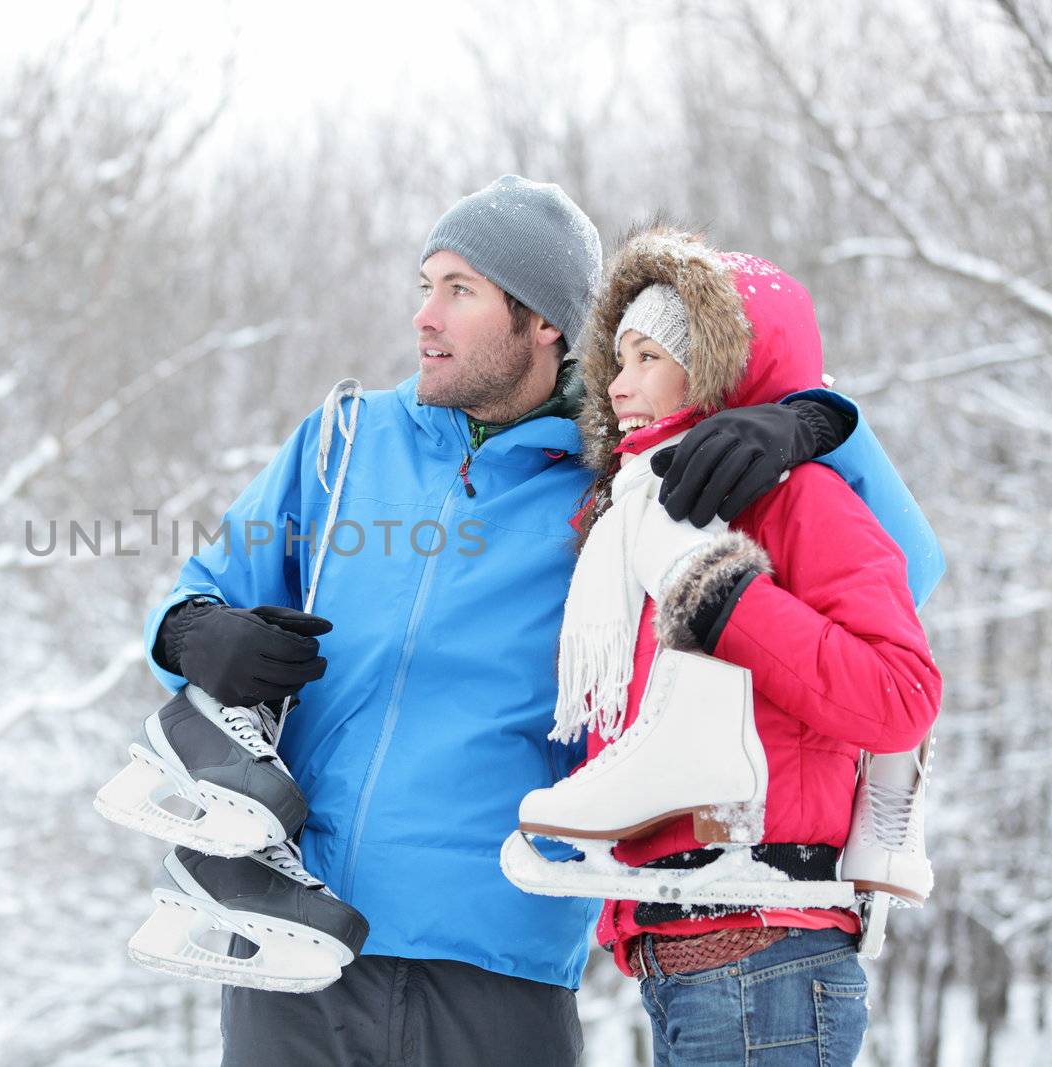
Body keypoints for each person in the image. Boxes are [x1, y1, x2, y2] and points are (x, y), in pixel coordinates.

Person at [142, 176, 944, 1066]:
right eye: (424, 286)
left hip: (500, 959)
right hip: (299, 944)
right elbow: (198, 590)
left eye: (460, 290)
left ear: (543, 323)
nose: (425, 318)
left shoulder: (621, 487)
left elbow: (904, 566)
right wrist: (191, 634)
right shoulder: (343, 444)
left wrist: (814, 420)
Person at [540, 227, 942, 1065]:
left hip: (767, 955)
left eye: (648, 356)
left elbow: (901, 694)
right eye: (617, 359)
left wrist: (727, 603)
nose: (617, 386)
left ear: (720, 365)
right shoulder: (632, 521)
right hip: (685, 962)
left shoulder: (802, 502)